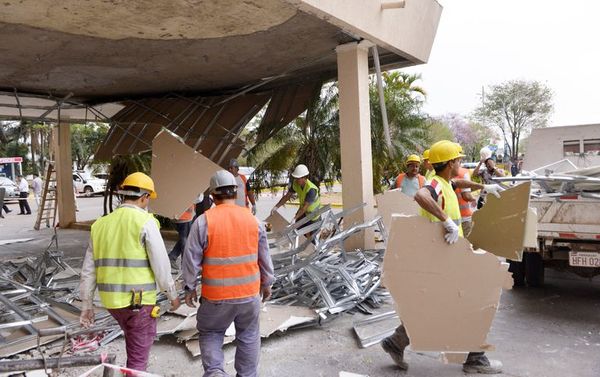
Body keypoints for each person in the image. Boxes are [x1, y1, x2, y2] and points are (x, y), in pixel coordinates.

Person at [381, 140, 504, 374]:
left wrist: (483, 188)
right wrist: (446, 221)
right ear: (450, 163)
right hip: (441, 259)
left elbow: (459, 182)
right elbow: (421, 196)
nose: (460, 162)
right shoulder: (434, 185)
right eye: (458, 159)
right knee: (471, 303)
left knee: (435, 306)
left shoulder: (446, 181)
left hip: (448, 256)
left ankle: (396, 342)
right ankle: (476, 359)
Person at [78, 172, 180, 372]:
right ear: (144, 197)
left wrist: (86, 305)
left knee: (133, 346)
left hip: (112, 304)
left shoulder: (100, 224)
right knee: (138, 359)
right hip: (138, 304)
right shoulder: (145, 222)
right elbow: (161, 265)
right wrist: (172, 295)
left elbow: (88, 270)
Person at [182, 170, 274, 377]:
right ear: (236, 192)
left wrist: (189, 287)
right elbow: (265, 257)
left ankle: (215, 372)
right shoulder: (253, 221)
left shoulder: (203, 222)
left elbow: (191, 259)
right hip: (249, 295)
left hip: (216, 298)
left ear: (213, 196)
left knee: (212, 333)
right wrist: (267, 283)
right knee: (249, 335)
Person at [168, 203, 195, 268]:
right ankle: (185, 265)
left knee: (184, 239)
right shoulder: (190, 192)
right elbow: (199, 198)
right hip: (186, 217)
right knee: (185, 240)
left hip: (174, 216)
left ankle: (172, 257)